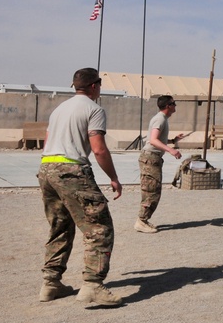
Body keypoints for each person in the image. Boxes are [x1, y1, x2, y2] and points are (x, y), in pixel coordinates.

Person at [37, 67, 123, 306]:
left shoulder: (59, 109)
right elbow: (98, 148)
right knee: (99, 227)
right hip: (71, 170)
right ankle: (93, 285)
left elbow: (47, 143)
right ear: (95, 85)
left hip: (47, 168)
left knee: (60, 226)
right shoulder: (94, 109)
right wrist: (113, 178)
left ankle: (50, 283)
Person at [135, 95, 187, 234]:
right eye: (174, 104)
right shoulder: (160, 119)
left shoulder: (162, 119)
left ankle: (143, 220)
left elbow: (158, 139)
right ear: (168, 106)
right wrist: (171, 150)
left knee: (153, 191)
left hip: (153, 159)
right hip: (150, 159)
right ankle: (141, 221)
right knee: (151, 191)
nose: (175, 106)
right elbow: (153, 140)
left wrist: (173, 140)